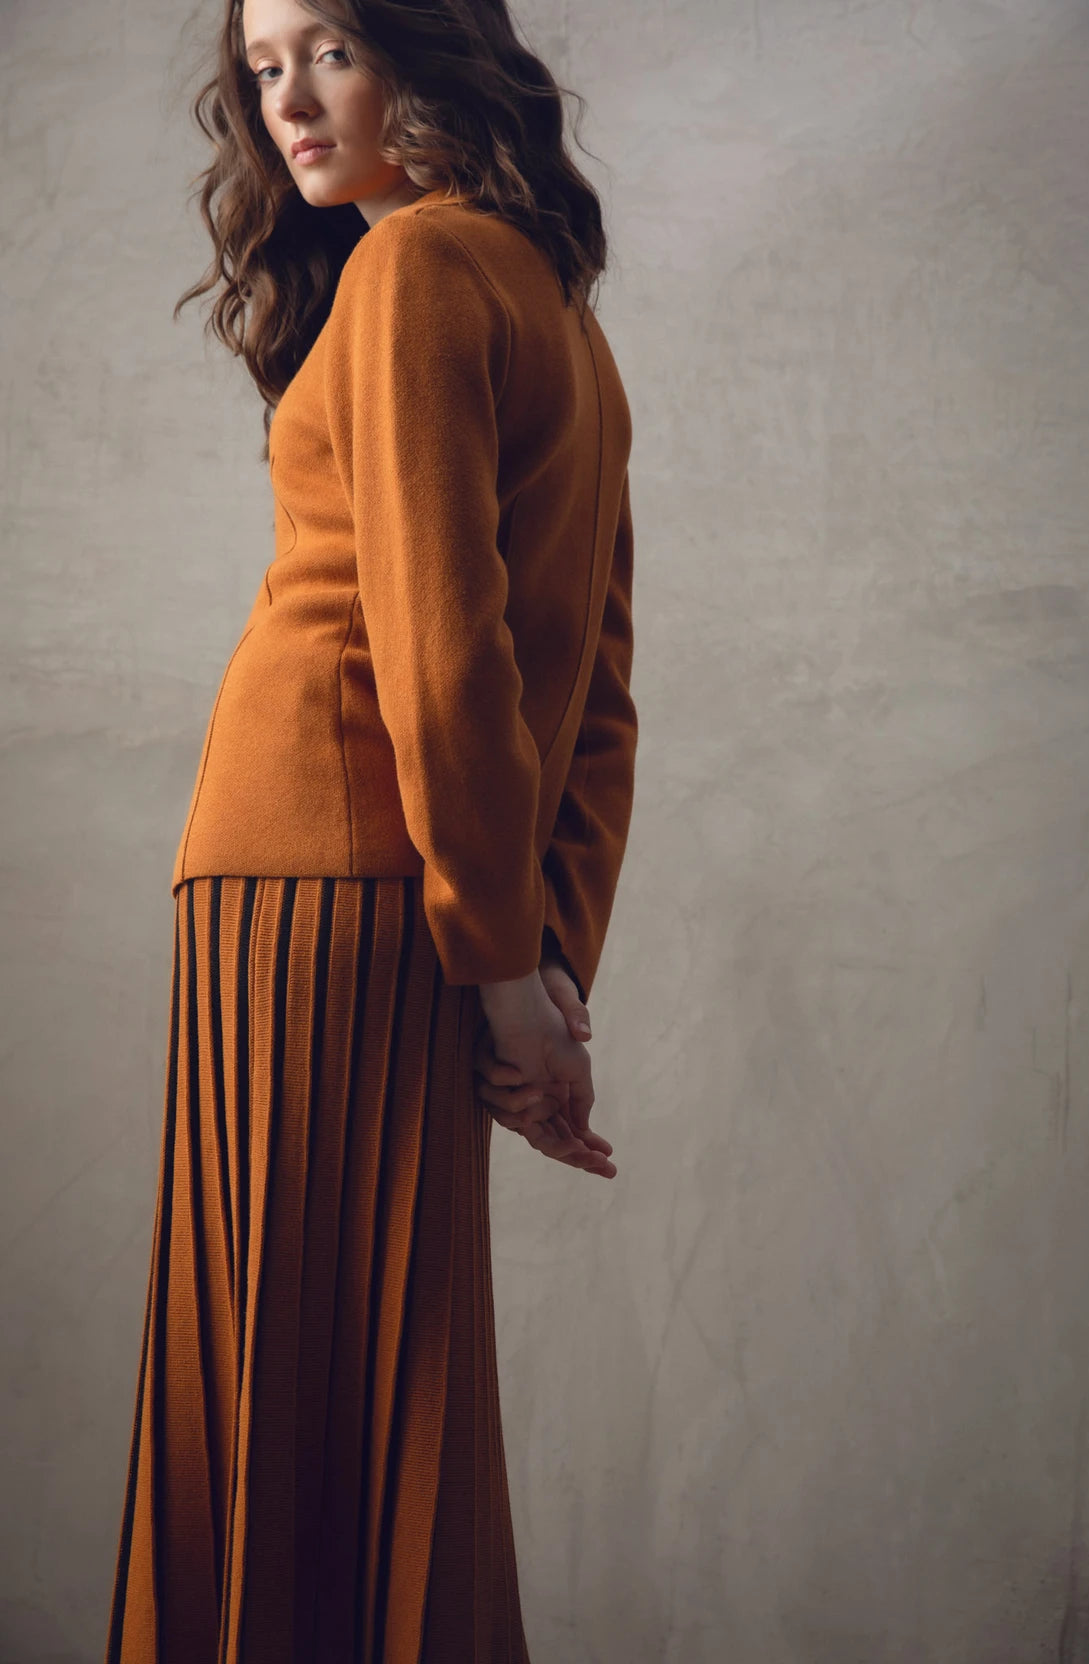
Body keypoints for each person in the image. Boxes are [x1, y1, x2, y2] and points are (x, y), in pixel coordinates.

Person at [103, 0, 637, 1657]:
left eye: (328, 47)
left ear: (433, 47)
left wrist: (504, 969)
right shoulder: (551, 298)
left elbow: (439, 642)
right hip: (395, 891)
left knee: (280, 1371)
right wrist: (540, 955)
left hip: (312, 883)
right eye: (261, 68)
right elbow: (598, 680)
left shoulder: (414, 271)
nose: (287, 101)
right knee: (377, 1376)